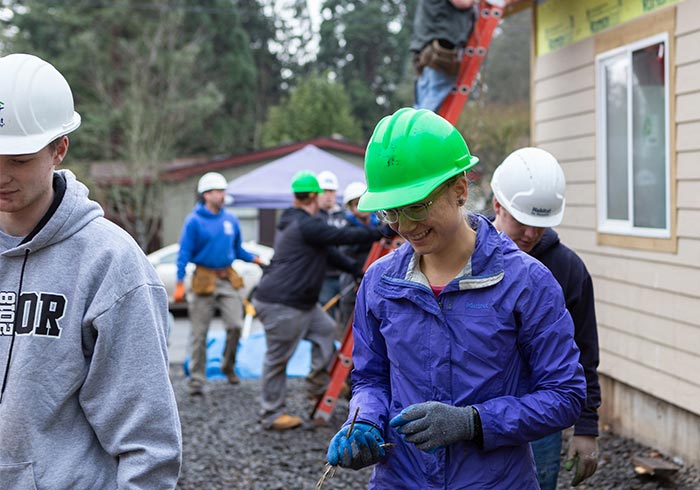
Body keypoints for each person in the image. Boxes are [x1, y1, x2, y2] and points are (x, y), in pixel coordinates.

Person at [325, 108, 586, 488]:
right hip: (401, 480)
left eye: (417, 206)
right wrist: (362, 422)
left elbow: (564, 395)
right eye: (391, 212)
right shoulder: (380, 282)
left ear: (460, 189)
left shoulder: (526, 282)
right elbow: (370, 378)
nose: (405, 226)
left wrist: (474, 422)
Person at [0, 53, 181, 487]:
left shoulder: (110, 263)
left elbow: (148, 442)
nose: (1, 174)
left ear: (59, 149)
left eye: (19, 159)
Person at [491, 147, 601, 489]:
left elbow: (584, 352)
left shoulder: (568, 269)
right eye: (521, 222)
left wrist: (586, 427)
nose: (530, 234)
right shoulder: (464, 256)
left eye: (539, 226)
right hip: (472, 410)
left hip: (539, 418)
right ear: (497, 205)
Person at [252, 171, 383, 430]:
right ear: (314, 196)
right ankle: (271, 413)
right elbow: (342, 237)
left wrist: (360, 273)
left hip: (300, 303)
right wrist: (380, 232)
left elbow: (332, 256)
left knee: (325, 332)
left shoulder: (302, 224)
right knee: (278, 359)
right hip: (282, 302)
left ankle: (318, 385)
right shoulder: (306, 224)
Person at [174, 171, 264, 396]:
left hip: (226, 277)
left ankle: (228, 366)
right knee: (199, 332)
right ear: (206, 195)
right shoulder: (194, 221)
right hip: (203, 277)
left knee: (235, 325)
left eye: (223, 191)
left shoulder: (230, 220)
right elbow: (184, 252)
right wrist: (178, 282)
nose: (222, 195)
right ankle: (196, 379)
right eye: (217, 191)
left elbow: (238, 249)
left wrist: (253, 257)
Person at [411, 0, 476, 112]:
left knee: (425, 98)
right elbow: (463, 3)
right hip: (441, 48)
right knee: (432, 100)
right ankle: (422, 127)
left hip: (428, 47)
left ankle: (414, 126)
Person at [336, 181, 381, 338]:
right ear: (350, 208)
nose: (360, 208)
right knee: (351, 316)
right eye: (355, 205)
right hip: (353, 276)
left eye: (362, 203)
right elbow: (344, 255)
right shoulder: (347, 228)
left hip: (375, 276)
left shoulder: (379, 223)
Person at [316, 170, 347, 323]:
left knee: (349, 317)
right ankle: (325, 347)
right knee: (326, 317)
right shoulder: (313, 216)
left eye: (332, 191)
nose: (328, 195)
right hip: (324, 277)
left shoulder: (344, 215)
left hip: (346, 274)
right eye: (325, 191)